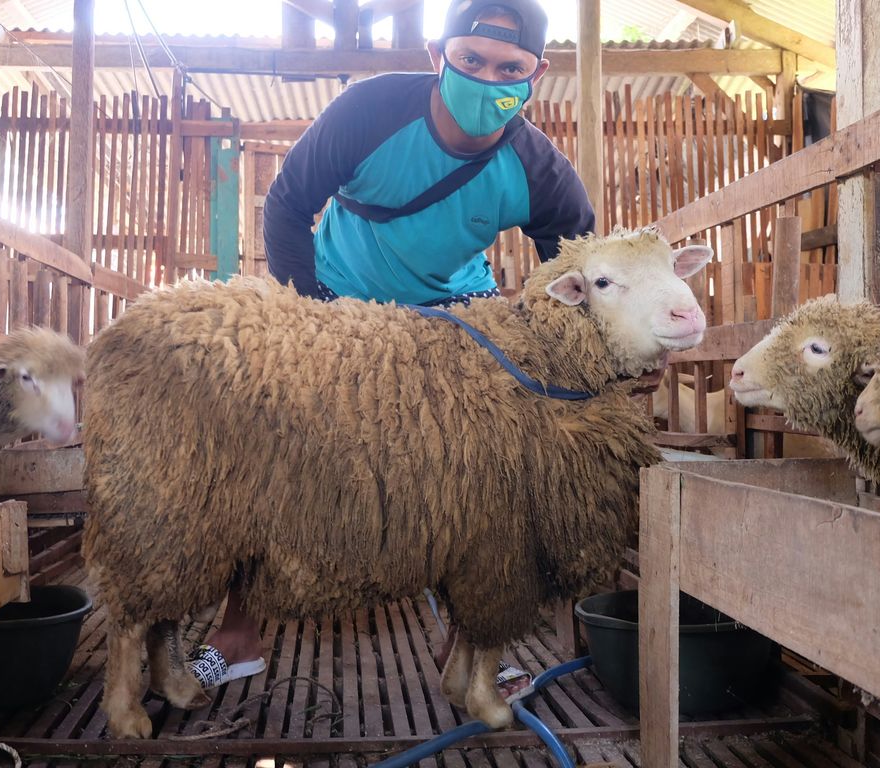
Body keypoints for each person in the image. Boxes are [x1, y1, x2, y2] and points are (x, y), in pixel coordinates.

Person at [188, 0, 595, 701]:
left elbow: (578, 267)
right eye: (470, 61)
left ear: (536, 76)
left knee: (471, 474)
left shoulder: (538, 169)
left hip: (455, 320)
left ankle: (462, 644)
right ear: (439, 57)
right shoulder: (368, 113)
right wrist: (308, 321)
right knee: (280, 452)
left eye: (508, 69)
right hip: (343, 301)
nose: (485, 77)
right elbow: (286, 205)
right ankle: (238, 631)